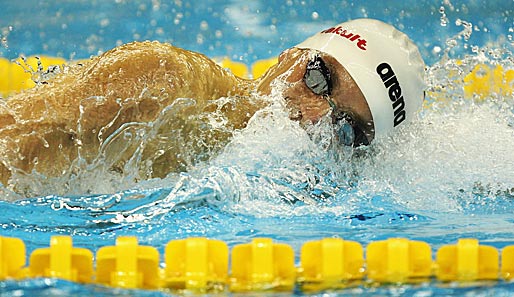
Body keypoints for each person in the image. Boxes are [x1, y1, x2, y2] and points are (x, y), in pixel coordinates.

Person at [0, 18, 425, 191]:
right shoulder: (165, 83)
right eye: (319, 78)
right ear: (291, 55)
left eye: (344, 127)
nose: (312, 115)